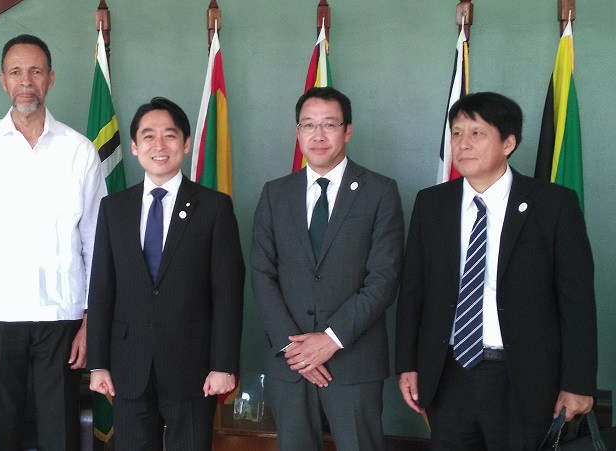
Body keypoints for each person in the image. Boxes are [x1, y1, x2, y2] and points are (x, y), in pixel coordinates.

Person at [395, 92, 597, 449]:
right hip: (448, 373)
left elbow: (577, 302)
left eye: (477, 133)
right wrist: (408, 364)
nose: (463, 144)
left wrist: (578, 383)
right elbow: (413, 291)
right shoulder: (432, 203)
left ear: (508, 143)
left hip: (524, 378)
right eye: (457, 133)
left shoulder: (553, 204)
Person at [0, 34, 106, 450]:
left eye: (35, 71)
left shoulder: (79, 151)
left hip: (63, 316)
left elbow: (96, 243)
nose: (26, 81)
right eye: (16, 72)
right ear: (2, 80)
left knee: (60, 435)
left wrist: (91, 322)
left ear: (50, 78)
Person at [251, 86, 404, 450]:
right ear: (298, 132)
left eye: (329, 124)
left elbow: (383, 278)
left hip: (354, 361)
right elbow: (262, 274)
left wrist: (331, 339)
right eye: (308, 125)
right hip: (290, 364)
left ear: (347, 131)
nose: (318, 135)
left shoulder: (380, 191)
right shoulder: (275, 193)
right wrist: (295, 350)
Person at [87, 97, 244, 450]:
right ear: (134, 146)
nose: (159, 145)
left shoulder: (214, 207)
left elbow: (228, 293)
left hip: (194, 369)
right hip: (128, 368)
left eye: (170, 135)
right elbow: (101, 289)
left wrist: (223, 365)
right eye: (148, 136)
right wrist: (98, 364)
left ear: (185, 144)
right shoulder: (114, 208)